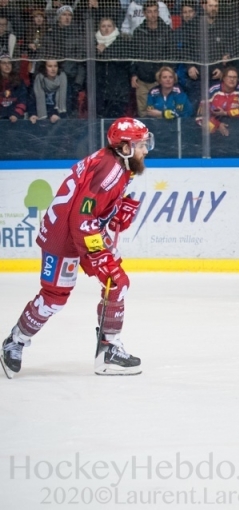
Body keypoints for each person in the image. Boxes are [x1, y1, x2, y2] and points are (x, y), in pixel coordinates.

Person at [0, 117, 153, 379]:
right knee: (55, 297)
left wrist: (114, 212)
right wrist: (98, 253)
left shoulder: (117, 163)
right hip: (65, 237)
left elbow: (89, 208)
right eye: (141, 144)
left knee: (116, 283)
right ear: (126, 147)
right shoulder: (111, 171)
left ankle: (108, 350)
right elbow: (81, 218)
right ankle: (15, 341)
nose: (146, 149)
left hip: (76, 230)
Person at [130, 0, 174, 117]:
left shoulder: (166, 31)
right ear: (144, 13)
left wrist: (164, 75)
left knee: (160, 112)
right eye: (149, 12)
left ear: (158, 12)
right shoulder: (138, 32)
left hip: (159, 80)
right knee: (143, 113)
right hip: (142, 80)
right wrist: (134, 74)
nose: (153, 14)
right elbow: (134, 55)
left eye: (155, 11)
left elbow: (171, 55)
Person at [197, 66, 239, 137]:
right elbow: (200, 119)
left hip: (237, 130)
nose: (232, 79)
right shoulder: (213, 90)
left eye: (234, 77)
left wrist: (226, 113)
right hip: (214, 134)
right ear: (223, 78)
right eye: (229, 77)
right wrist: (217, 126)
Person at [95, 16, 131, 119]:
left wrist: (105, 52)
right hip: (100, 92)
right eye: (103, 26)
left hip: (118, 92)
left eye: (109, 26)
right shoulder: (94, 43)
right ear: (99, 28)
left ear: (114, 27)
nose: (106, 29)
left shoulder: (122, 42)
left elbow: (123, 62)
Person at [0, 53, 26, 122]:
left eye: (9, 63)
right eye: (4, 63)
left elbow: (23, 100)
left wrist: (16, 114)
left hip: (15, 119)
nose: (7, 65)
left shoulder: (19, 81)